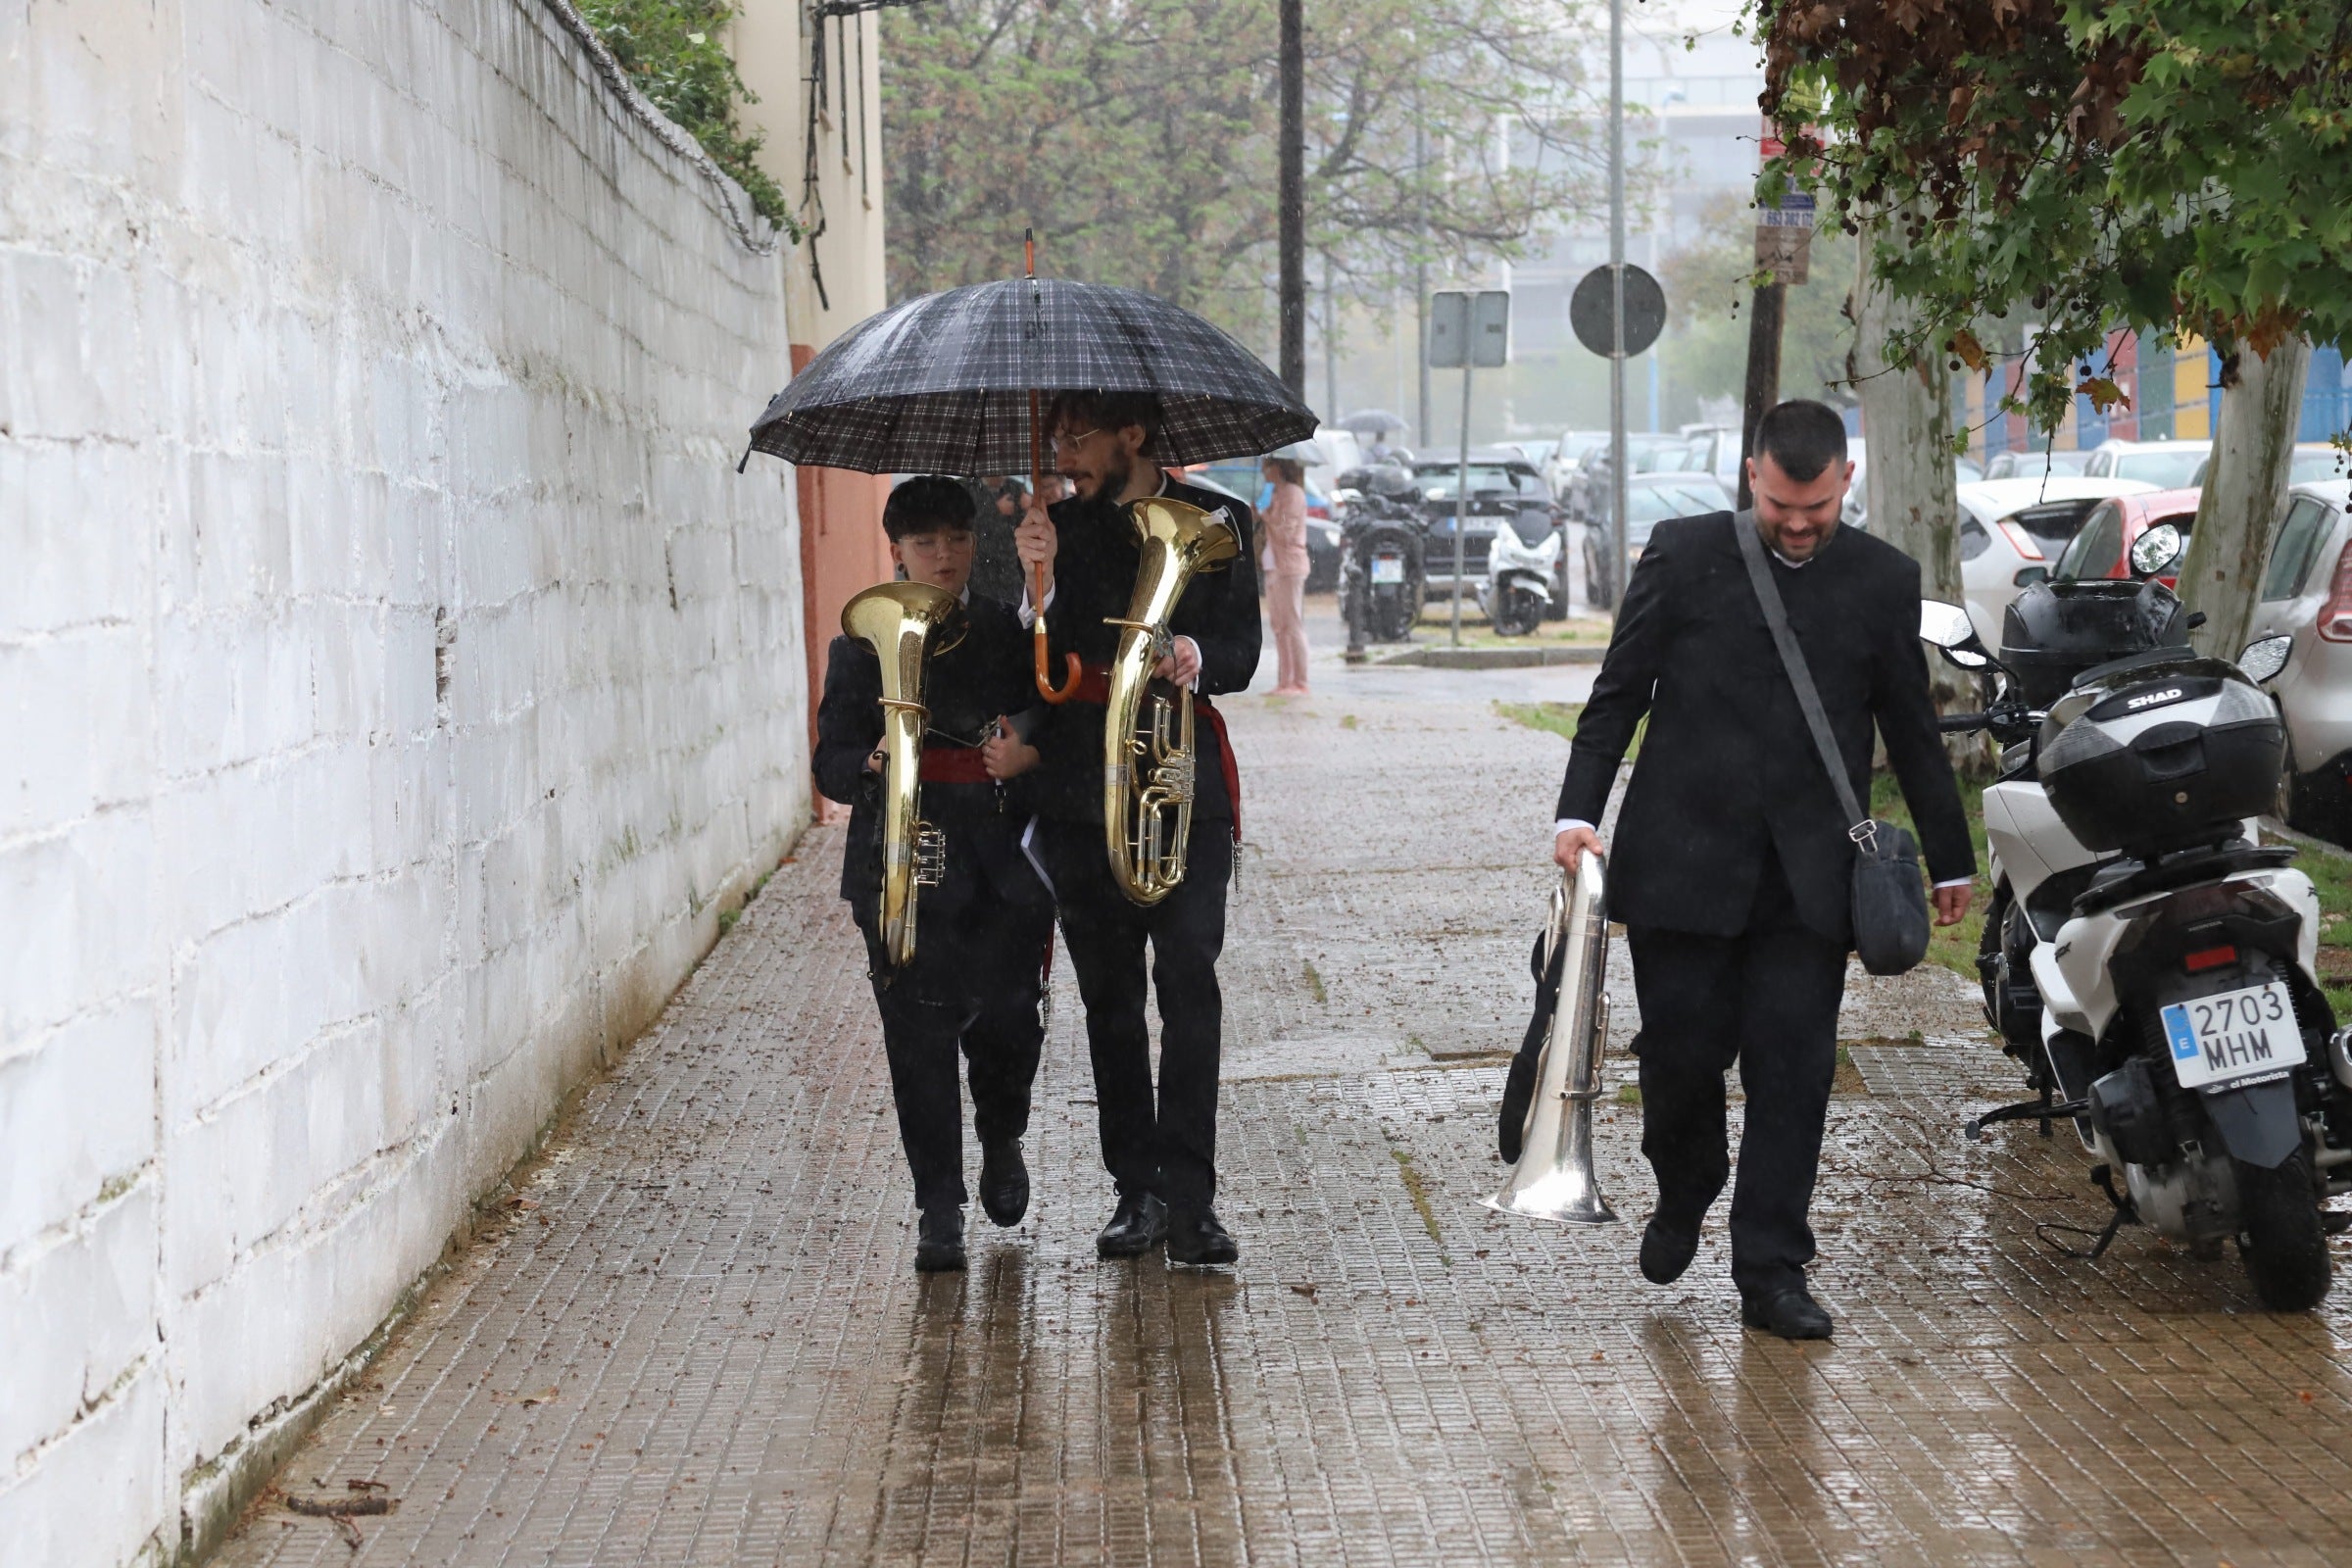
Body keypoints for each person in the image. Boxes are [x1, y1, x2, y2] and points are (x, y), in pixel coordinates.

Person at [1526, 399, 1975, 1340]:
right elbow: (1618, 696)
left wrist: (1949, 858)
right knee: (1679, 1061)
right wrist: (1577, 814)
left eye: (1817, 507)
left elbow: (1913, 729)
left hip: (1809, 884)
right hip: (1681, 866)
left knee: (1794, 1071)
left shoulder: (1882, 579)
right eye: (1781, 507)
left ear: (1847, 480)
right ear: (1751, 478)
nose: (1801, 525)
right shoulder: (1683, 556)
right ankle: (1686, 1183)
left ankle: (1771, 1268)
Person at [1013, 390, 1262, 1266]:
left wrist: (1199, 655)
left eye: (1075, 437)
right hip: (1083, 786)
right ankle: (1137, 1192)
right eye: (1055, 437)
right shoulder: (1054, 526)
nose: (1063, 453)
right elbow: (1032, 663)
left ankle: (1194, 1200)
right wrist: (1035, 584)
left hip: (1182, 785)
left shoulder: (1220, 520)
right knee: (1110, 1000)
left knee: (1189, 981)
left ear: (1132, 434)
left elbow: (1242, 651)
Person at [812, 476, 1056, 1273]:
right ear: (897, 553)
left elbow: (1038, 715)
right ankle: (938, 1207)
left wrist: (1023, 743)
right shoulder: (858, 645)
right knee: (916, 1037)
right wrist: (872, 759)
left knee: (1012, 1019)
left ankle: (1002, 1134)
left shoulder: (1001, 629)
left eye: (956, 540)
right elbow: (830, 764)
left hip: (995, 856)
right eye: (926, 544)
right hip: (899, 860)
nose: (945, 556)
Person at [1259, 457, 1311, 695]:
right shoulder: (1276, 494)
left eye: (1267, 467)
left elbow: (1286, 531)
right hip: (1273, 565)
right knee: (1279, 626)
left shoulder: (1293, 493)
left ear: (1277, 468)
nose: (1264, 472)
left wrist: (1266, 517)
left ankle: (1300, 681)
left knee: (1292, 624)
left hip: (1289, 566)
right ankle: (1284, 680)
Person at [969, 475, 1029, 605]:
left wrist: (1027, 506)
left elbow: (1023, 520)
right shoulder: (971, 489)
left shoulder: (1015, 488)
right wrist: (994, 508)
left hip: (1010, 562)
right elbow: (969, 521)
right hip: (981, 564)